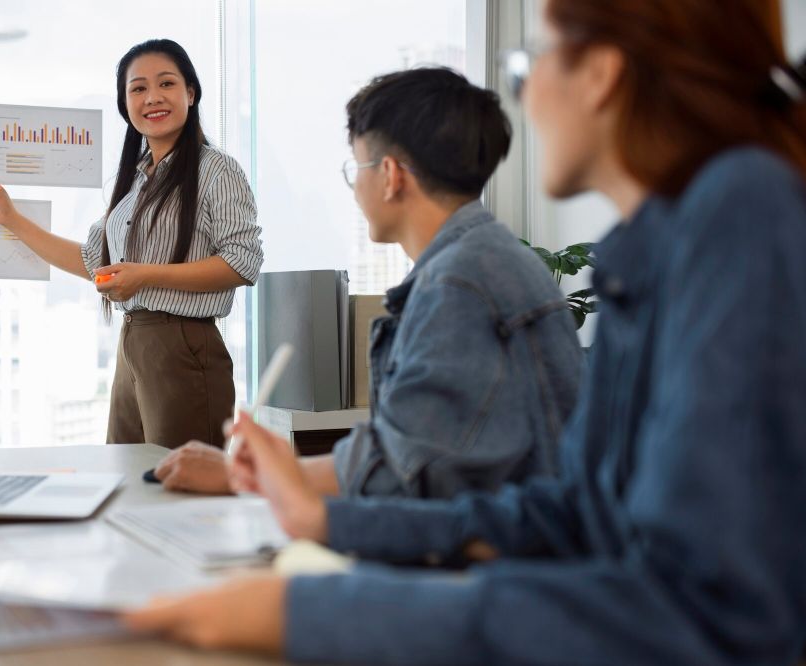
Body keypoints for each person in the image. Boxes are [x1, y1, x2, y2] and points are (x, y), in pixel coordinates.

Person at [121, 1, 806, 663]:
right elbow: (570, 515)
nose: (525, 93)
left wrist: (305, 613)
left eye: (528, 60)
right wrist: (329, 520)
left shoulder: (737, 217)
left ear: (599, 72)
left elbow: (707, 618)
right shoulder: (661, 245)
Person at [153, 68, 583, 499]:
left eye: (357, 167)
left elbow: (404, 475)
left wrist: (245, 477)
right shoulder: (483, 261)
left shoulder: (458, 285)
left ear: (391, 175)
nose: (355, 186)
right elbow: (411, 450)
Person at [0, 39, 263, 448]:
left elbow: (242, 262)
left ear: (190, 93)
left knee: (177, 495)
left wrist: (144, 277)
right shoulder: (137, 181)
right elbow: (92, 261)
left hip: (183, 345)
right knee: (128, 481)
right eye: (138, 89)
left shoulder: (217, 170)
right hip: (133, 344)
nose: (153, 97)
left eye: (166, 84)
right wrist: (11, 219)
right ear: (125, 105)